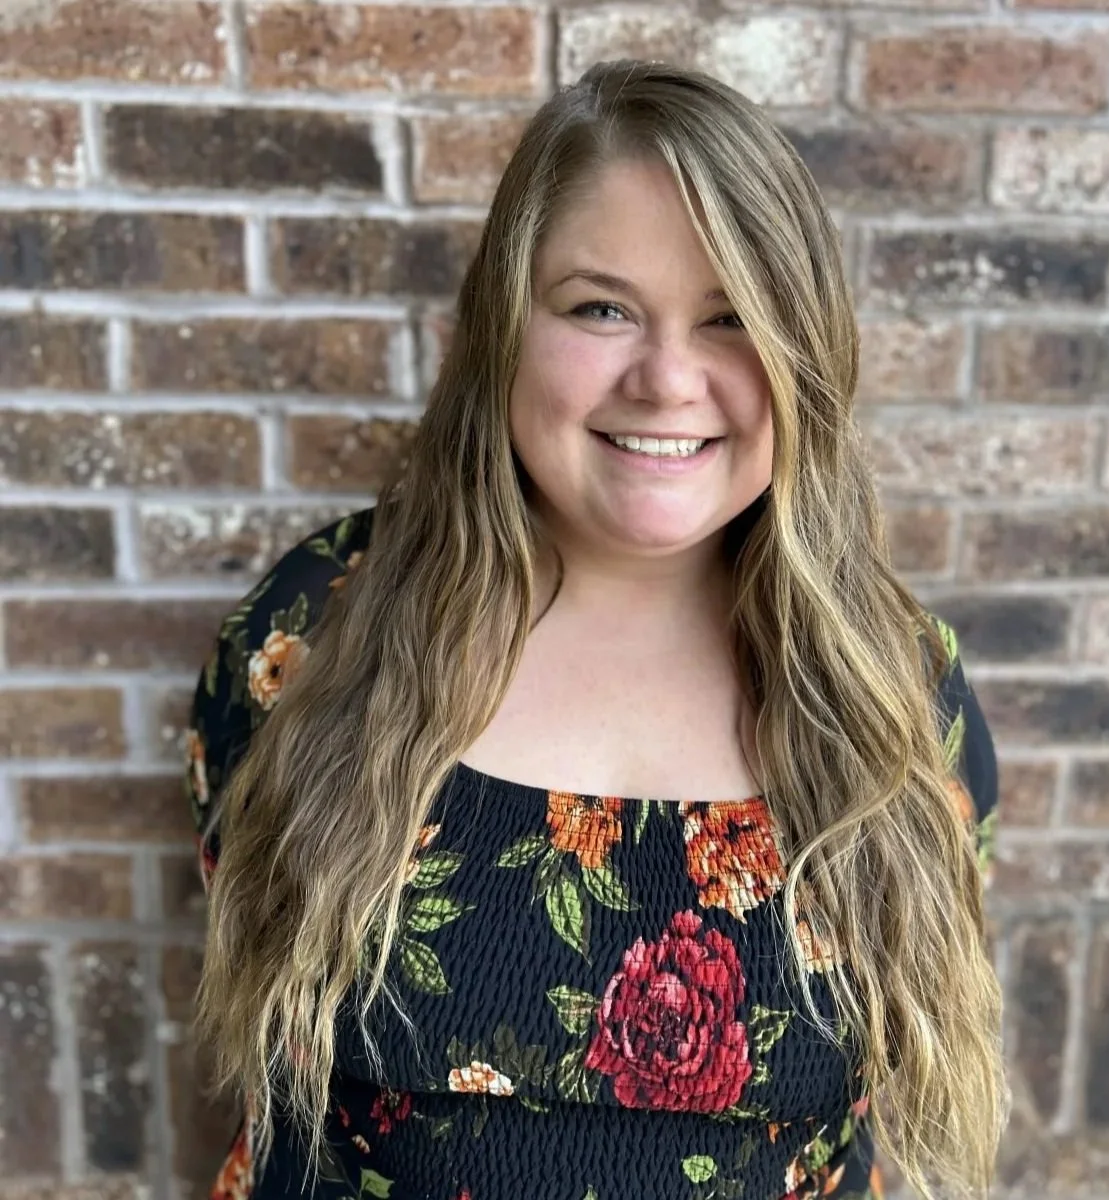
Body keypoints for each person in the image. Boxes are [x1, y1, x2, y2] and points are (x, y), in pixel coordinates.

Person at [185, 58, 1006, 1200]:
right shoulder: (315, 631)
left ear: (804, 353)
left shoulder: (897, 694)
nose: (667, 379)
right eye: (601, 308)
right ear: (504, 326)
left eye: (731, 318)